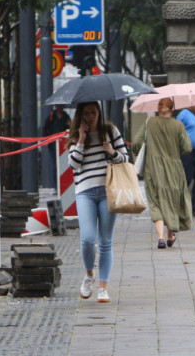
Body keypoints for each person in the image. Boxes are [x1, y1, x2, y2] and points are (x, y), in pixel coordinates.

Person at [67, 102, 128, 303]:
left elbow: (125, 159)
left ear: (99, 113)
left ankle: (103, 287)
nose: (91, 117)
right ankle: (88, 275)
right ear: (81, 116)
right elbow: (73, 165)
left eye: (94, 113)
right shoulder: (76, 135)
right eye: (87, 114)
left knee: (105, 241)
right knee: (87, 239)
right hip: (84, 191)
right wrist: (82, 140)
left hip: (108, 190)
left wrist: (111, 152)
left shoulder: (110, 131)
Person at [132, 98, 193, 249]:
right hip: (174, 169)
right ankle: (170, 235)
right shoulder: (178, 125)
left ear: (158, 108)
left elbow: (136, 144)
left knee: (155, 201)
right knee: (171, 200)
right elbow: (187, 148)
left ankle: (160, 237)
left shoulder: (149, 122)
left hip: (153, 169)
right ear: (172, 110)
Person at [176, 105, 195, 216]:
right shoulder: (183, 114)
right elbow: (176, 130)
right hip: (187, 152)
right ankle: (179, 206)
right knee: (185, 179)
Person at [43, 105, 71, 187]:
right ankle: (56, 186)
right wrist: (46, 140)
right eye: (58, 106)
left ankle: (64, 185)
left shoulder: (66, 116)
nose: (60, 107)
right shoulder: (51, 116)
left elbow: (71, 128)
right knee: (54, 166)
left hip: (64, 146)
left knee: (64, 165)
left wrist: (70, 125)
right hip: (53, 145)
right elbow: (45, 128)